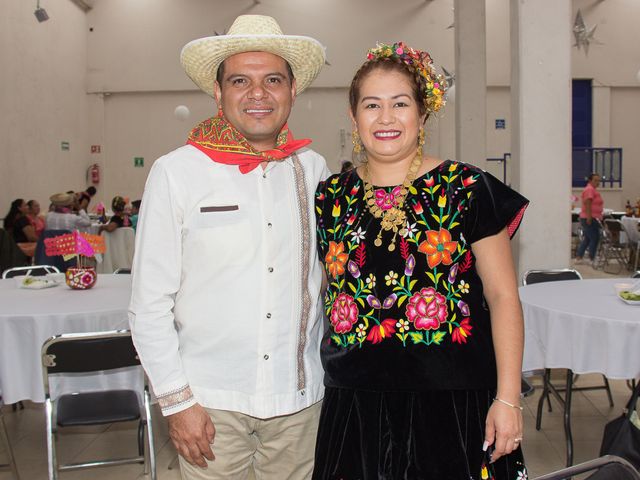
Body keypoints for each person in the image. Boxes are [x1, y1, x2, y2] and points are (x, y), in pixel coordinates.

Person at [313, 42, 529, 479]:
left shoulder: (466, 188)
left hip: (451, 402)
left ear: (423, 115)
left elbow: (504, 296)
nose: (386, 118)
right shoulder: (330, 197)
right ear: (354, 118)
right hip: (356, 403)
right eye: (372, 105)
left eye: (400, 104)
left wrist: (508, 399)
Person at [129, 15, 329, 480]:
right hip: (209, 407)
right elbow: (149, 305)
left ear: (292, 91)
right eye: (240, 80)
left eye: (272, 80)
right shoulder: (176, 172)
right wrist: (178, 403)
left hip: (299, 406)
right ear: (218, 93)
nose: (257, 94)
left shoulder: (314, 169)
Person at [575, 173, 603, 264]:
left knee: (587, 238)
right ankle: (592, 257)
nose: (597, 182)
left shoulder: (593, 190)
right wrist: (589, 217)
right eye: (595, 180)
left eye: (598, 180)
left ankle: (579, 257)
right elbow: (588, 203)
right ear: (590, 181)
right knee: (595, 238)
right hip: (590, 217)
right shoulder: (589, 189)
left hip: (592, 217)